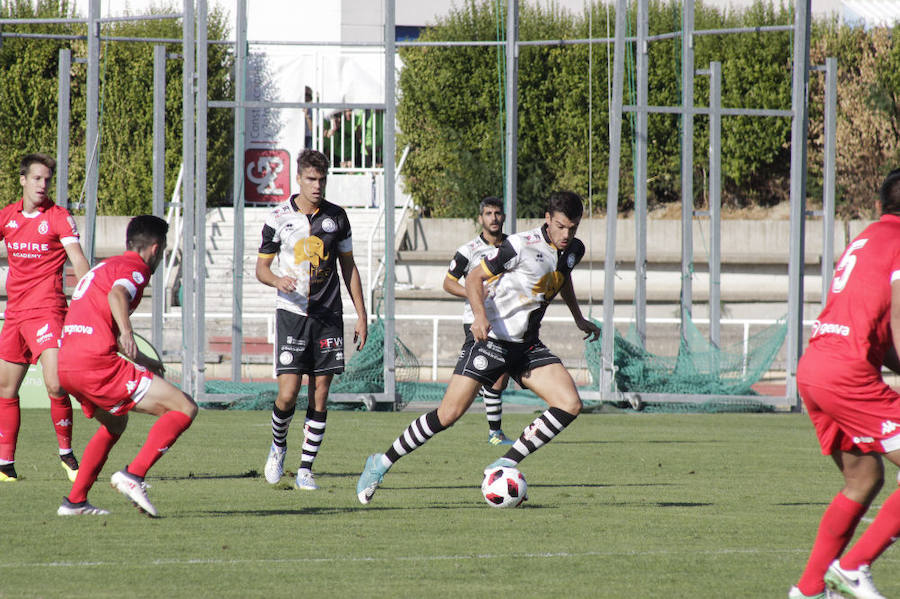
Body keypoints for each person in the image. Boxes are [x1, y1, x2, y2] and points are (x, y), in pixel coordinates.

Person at [357, 191, 601, 505]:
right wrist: (480, 317)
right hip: (491, 341)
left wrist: (579, 318)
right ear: (547, 219)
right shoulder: (520, 246)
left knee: (569, 403)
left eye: (573, 227)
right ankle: (380, 462)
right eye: (560, 226)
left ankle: (504, 463)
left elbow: (562, 277)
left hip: (526, 345)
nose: (567, 235)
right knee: (447, 415)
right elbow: (473, 278)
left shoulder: (574, 250)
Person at [789, 168, 900, 599]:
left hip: (815, 365)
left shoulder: (865, 238)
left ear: (878, 207)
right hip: (849, 374)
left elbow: (878, 330)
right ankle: (852, 569)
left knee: (864, 476)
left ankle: (809, 590)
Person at [55, 214, 197, 516]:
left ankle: (75, 501)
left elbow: (105, 320)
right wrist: (129, 333)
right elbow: (117, 295)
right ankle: (133, 475)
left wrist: (142, 359)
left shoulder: (106, 267)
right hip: (95, 364)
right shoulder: (134, 269)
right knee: (184, 408)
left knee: (115, 424)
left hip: (67, 363)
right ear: (156, 249)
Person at [258, 149, 368, 491]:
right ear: (299, 179)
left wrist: (362, 315)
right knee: (288, 394)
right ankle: (278, 446)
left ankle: (306, 468)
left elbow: (348, 267)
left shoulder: (338, 217)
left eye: (322, 179)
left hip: (328, 314)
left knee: (320, 393)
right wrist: (278, 280)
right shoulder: (277, 217)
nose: (317, 185)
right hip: (292, 314)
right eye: (311, 179)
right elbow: (261, 268)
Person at [0, 153, 90, 483]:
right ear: (22, 180)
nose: (42, 185)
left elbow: (78, 260)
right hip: (15, 316)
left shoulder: (59, 217)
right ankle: (5, 464)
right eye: (37, 178)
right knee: (6, 390)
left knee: (55, 383)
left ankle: (66, 454)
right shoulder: (8, 216)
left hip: (48, 311)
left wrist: (88, 294)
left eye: (47, 180)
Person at [443, 196, 514, 446]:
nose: (493, 218)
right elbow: (448, 283)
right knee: (486, 375)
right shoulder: (468, 250)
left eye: (497, 213)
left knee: (501, 377)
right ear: (480, 218)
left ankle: (492, 430)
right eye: (488, 213)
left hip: (507, 320)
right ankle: (493, 432)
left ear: (503, 216)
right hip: (477, 320)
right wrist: (473, 292)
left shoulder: (513, 246)